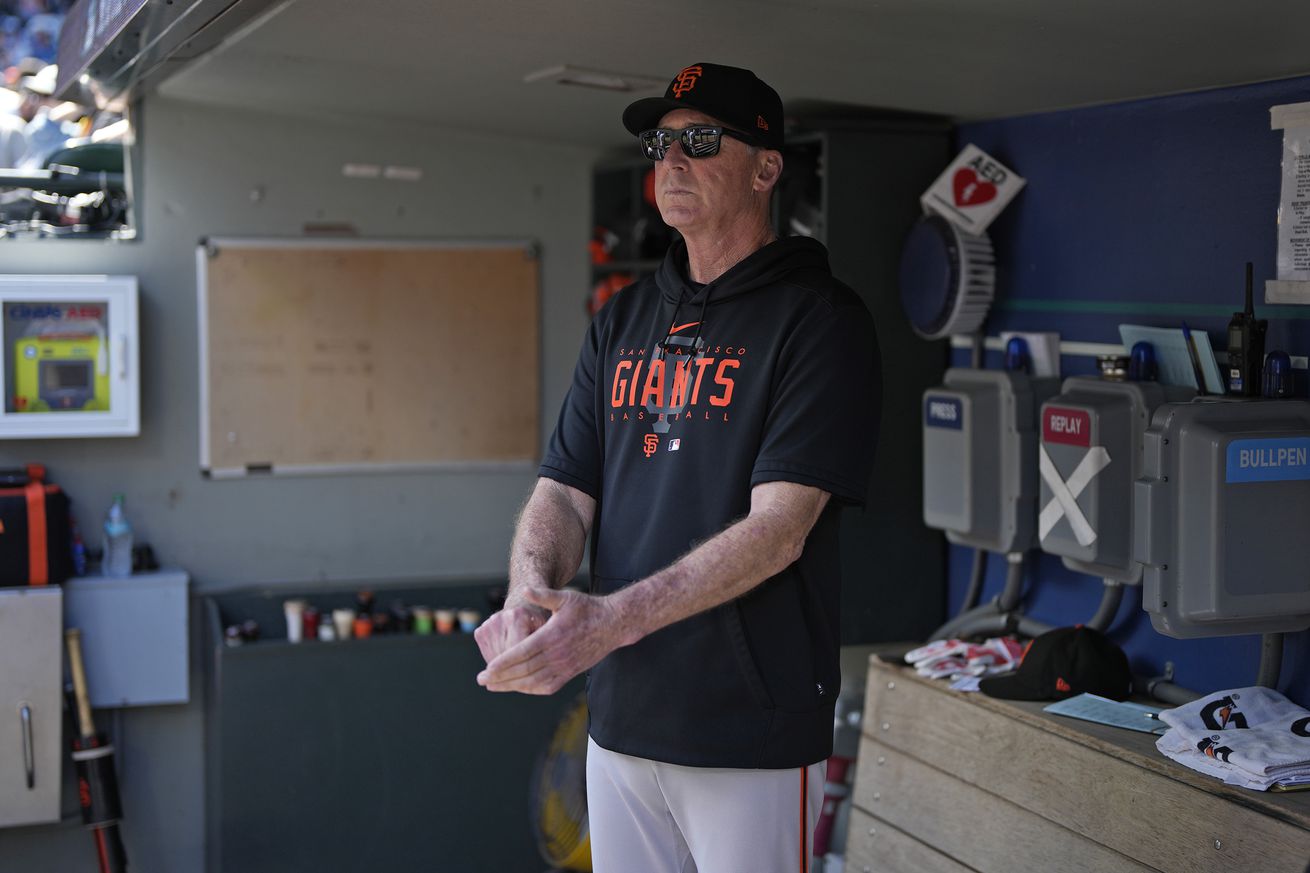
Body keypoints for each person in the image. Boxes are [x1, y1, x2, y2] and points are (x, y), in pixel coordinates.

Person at [476, 62, 881, 873]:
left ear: (767, 168)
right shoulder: (623, 316)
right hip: (621, 719)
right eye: (660, 143)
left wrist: (606, 622)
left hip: (750, 732)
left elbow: (778, 531)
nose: (672, 160)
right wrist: (530, 588)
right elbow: (563, 487)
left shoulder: (819, 322)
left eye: (700, 140)